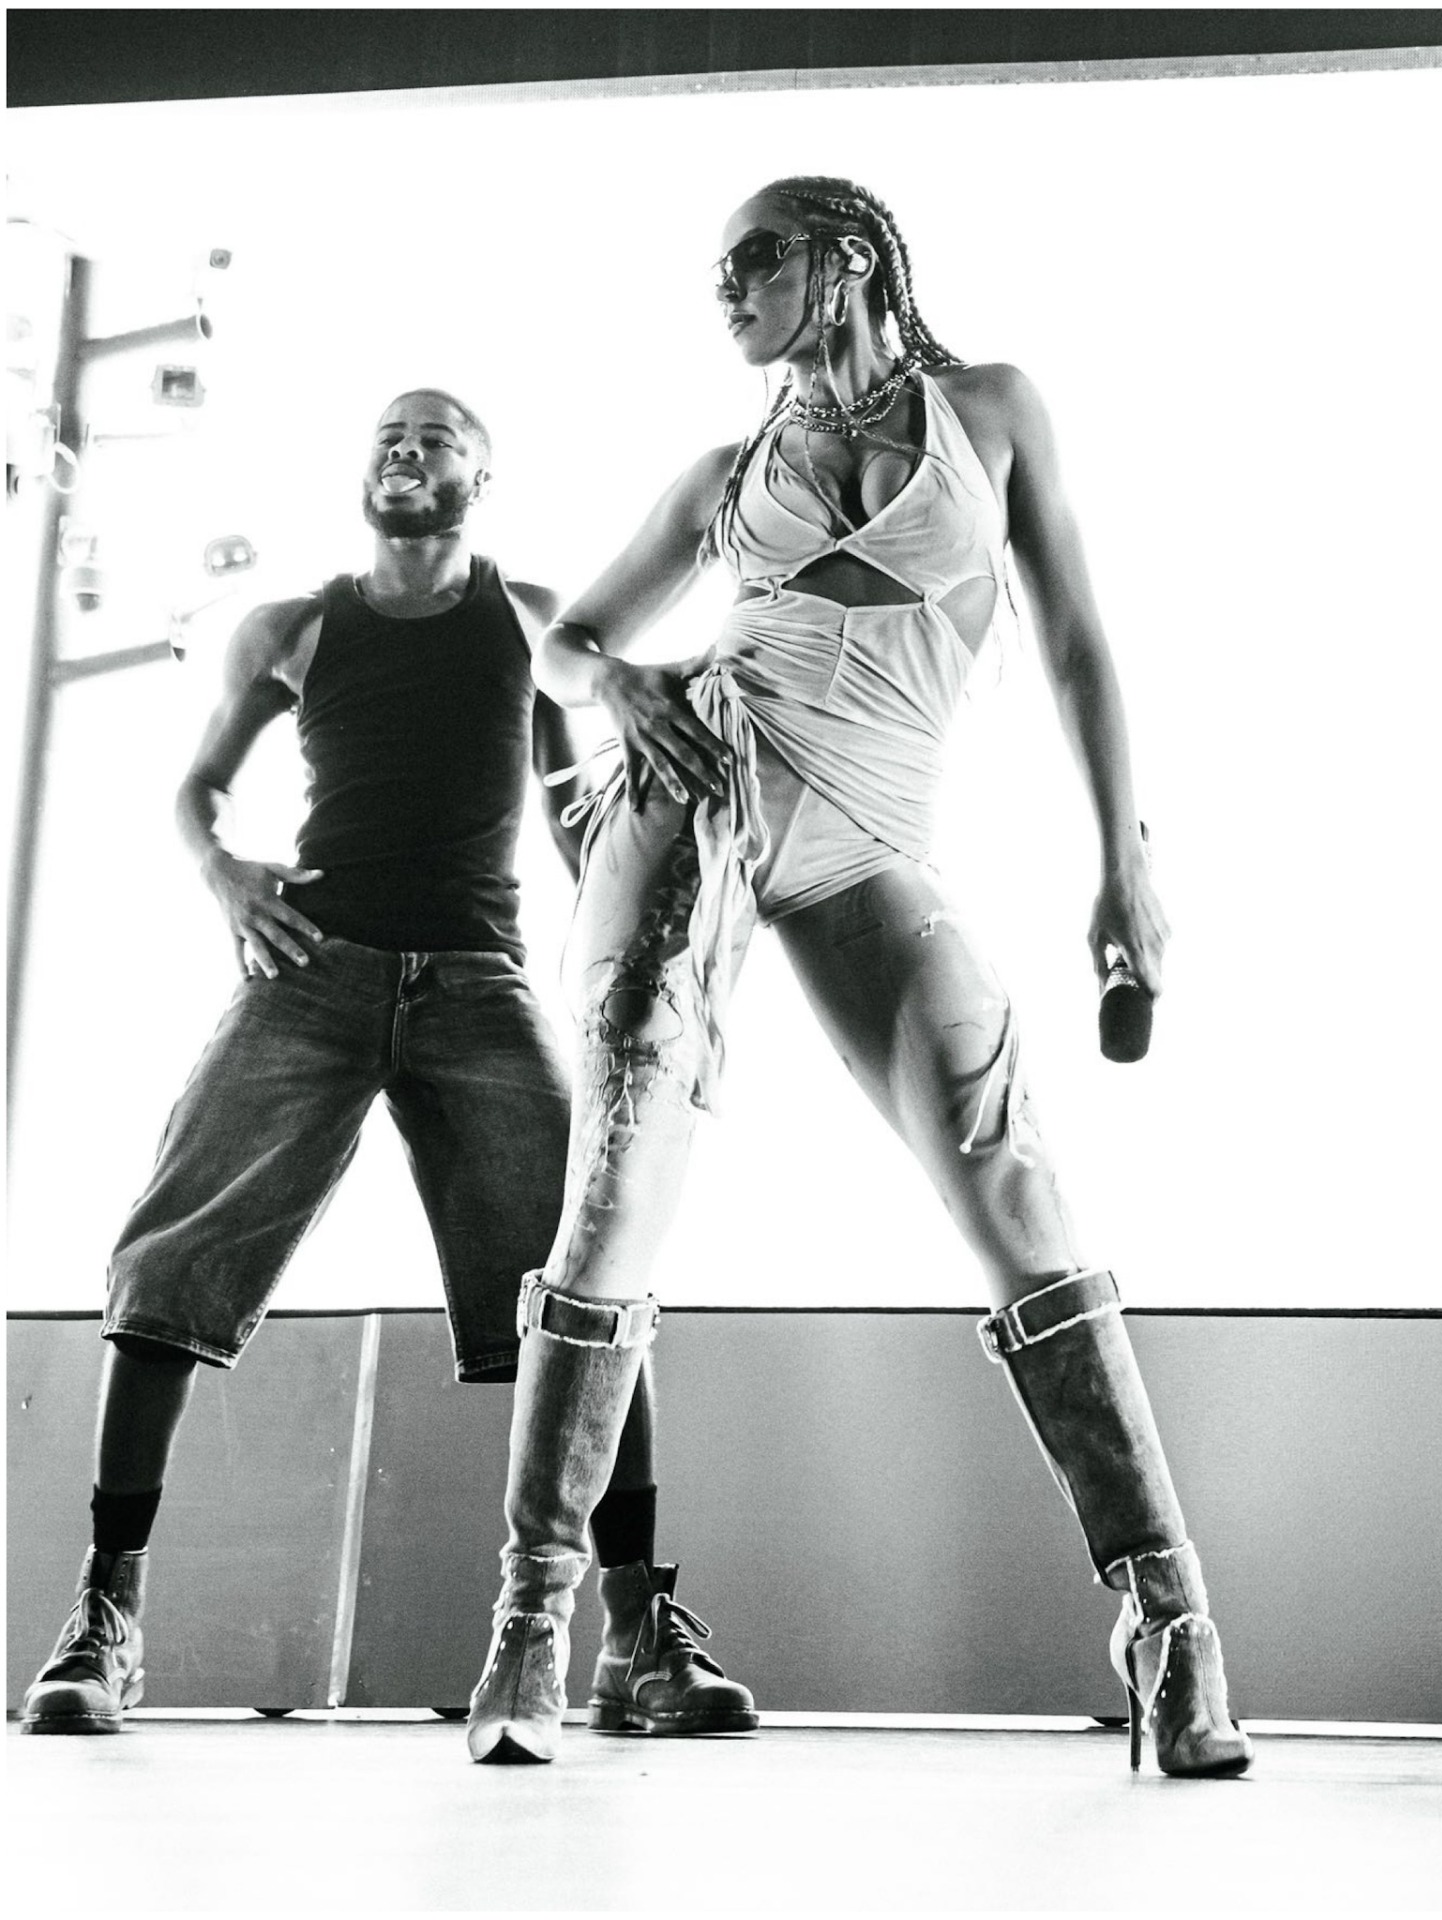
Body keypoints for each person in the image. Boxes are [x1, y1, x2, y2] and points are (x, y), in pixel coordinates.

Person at [465, 178, 1253, 1778]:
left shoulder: (993, 413)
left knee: (1009, 1173)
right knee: (616, 1195)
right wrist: (621, 684)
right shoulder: (723, 473)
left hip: (871, 834)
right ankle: (531, 1627)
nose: (727, 288)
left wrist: (1125, 861)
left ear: (849, 256)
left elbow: (1078, 645)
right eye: (716, 270)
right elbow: (565, 645)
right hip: (695, 801)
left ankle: (1170, 1626)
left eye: (755, 257)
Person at [21, 388, 755, 1749]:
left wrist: (645, 913)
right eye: (388, 437)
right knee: (166, 1261)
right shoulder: (292, 629)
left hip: (478, 980)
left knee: (587, 1278)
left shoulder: (527, 619)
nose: (406, 449)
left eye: (436, 436)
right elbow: (196, 790)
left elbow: (570, 798)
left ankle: (638, 1630)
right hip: (314, 970)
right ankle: (105, 1618)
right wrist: (223, 872)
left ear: (482, 475)